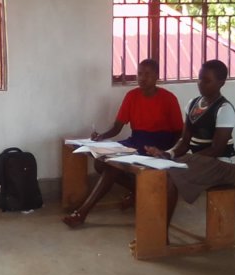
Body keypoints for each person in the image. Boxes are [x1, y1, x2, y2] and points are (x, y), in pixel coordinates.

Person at [63, 58, 182, 227]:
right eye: (139, 73)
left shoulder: (168, 99)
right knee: (100, 163)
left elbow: (179, 132)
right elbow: (117, 127)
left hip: (157, 144)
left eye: (147, 74)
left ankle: (83, 212)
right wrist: (101, 136)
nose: (142, 78)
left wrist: (169, 153)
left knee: (112, 168)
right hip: (136, 140)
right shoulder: (132, 96)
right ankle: (138, 191)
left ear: (157, 76)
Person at [145, 59, 235, 224]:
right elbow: (184, 141)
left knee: (170, 176)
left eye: (207, 80)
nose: (201, 83)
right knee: (159, 171)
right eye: (199, 78)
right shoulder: (193, 104)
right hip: (201, 162)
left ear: (221, 83)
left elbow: (217, 149)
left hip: (222, 166)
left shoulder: (224, 109)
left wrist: (186, 160)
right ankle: (156, 226)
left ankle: (161, 229)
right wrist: (168, 154)